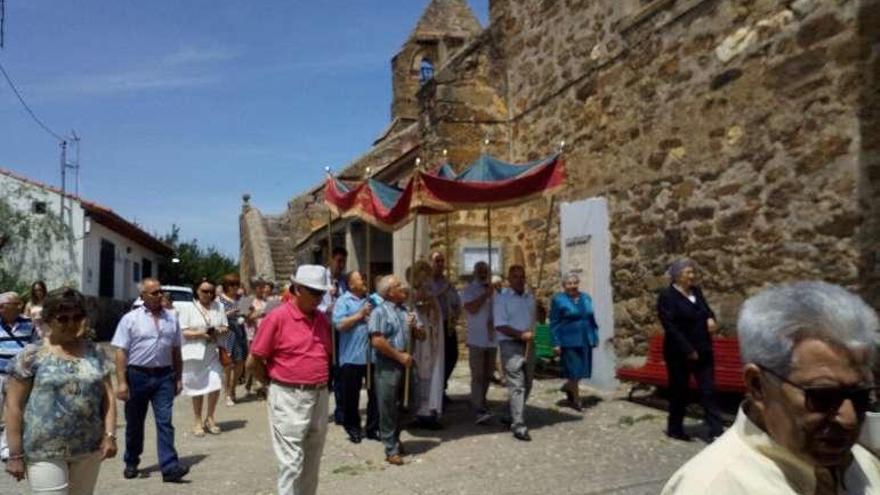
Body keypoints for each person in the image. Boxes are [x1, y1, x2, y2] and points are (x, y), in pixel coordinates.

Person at [662, 281, 880, 494]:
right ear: (758, 386)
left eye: (860, 397)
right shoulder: (713, 487)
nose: (849, 418)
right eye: (823, 397)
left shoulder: (863, 464)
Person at [3, 288, 116, 494]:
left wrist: (109, 435)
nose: (71, 324)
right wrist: (15, 455)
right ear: (48, 319)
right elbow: (13, 406)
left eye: (77, 317)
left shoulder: (95, 352)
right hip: (43, 450)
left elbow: (108, 398)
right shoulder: (31, 356)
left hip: (88, 448)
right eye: (63, 318)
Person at [246, 265, 333, 495]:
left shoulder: (322, 320)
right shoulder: (277, 317)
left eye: (321, 293)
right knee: (291, 464)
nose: (319, 297)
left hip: (319, 394)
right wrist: (272, 384)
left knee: (312, 461)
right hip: (288, 395)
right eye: (314, 292)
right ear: (297, 289)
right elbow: (253, 361)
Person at [111, 278, 188, 482]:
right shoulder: (130, 319)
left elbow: (176, 350)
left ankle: (170, 467)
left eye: (160, 291)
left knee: (165, 421)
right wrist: (122, 382)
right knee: (135, 423)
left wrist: (178, 377)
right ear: (143, 296)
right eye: (154, 292)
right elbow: (120, 351)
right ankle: (131, 461)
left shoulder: (171, 318)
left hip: (164, 375)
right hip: (137, 375)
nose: (159, 295)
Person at [657, 258, 723, 441]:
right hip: (679, 352)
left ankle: (716, 431)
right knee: (680, 391)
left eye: (693, 272)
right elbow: (670, 326)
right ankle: (675, 428)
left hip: (703, 348)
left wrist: (711, 318)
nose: (692, 276)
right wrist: (688, 349)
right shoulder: (667, 296)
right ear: (677, 276)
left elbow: (706, 310)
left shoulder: (696, 292)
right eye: (688, 273)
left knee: (708, 390)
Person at [369, 275, 416, 466]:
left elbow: (421, 335)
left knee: (406, 404)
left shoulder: (406, 311)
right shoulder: (379, 312)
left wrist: (416, 328)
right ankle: (390, 448)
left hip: (407, 363)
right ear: (389, 292)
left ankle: (396, 437)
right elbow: (377, 340)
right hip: (388, 365)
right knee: (387, 406)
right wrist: (398, 356)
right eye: (398, 285)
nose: (403, 287)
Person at [332, 270, 379, 443]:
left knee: (376, 393)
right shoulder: (343, 301)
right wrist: (359, 315)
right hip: (351, 356)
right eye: (361, 278)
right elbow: (339, 324)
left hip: (372, 355)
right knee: (351, 396)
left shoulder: (372, 300)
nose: (365, 280)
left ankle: (373, 427)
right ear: (351, 284)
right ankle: (353, 427)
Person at [178, 278, 228, 437]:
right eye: (204, 291)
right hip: (194, 354)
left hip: (212, 352)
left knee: (216, 384)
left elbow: (226, 326)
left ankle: (211, 418)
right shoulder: (189, 307)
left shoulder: (219, 306)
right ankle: (198, 421)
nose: (208, 294)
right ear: (197, 291)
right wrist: (202, 333)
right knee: (197, 388)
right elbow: (184, 331)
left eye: (211, 291)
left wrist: (219, 330)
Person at [493, 265, 537, 442]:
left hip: (528, 344)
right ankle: (518, 425)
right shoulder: (502, 299)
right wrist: (520, 334)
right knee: (516, 384)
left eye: (522, 277)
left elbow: (538, 317)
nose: (519, 280)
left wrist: (538, 302)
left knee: (528, 382)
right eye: (516, 277)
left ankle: (509, 413)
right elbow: (500, 325)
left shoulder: (529, 297)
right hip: (510, 344)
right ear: (509, 280)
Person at [549, 273, 599, 412]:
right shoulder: (559, 300)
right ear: (564, 285)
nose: (572, 286)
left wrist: (594, 336)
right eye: (569, 283)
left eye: (574, 283)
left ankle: (568, 386)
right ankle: (576, 400)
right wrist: (556, 342)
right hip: (568, 340)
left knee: (583, 369)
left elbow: (591, 319)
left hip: (585, 338)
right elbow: (554, 323)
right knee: (574, 371)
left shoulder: (586, 298)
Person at [0, 292, 38, 462]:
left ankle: (7, 446)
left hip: (20, 378)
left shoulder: (29, 325)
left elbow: (36, 347)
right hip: (0, 374)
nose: (0, 308)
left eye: (3, 305)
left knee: (14, 410)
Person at [461, 261, 497, 424]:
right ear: (475, 272)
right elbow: (471, 308)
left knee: (488, 374)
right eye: (480, 271)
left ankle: (481, 401)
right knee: (478, 375)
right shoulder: (469, 290)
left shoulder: (494, 290)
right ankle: (478, 407)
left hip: (492, 339)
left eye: (485, 271)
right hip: (476, 338)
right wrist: (485, 295)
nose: (483, 273)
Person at [410, 261, 444, 430]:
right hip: (418, 339)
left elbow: (436, 314)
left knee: (431, 371)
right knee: (420, 372)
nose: (423, 281)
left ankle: (430, 409)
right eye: (420, 277)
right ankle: (419, 410)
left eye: (426, 277)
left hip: (431, 338)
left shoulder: (431, 294)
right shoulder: (410, 294)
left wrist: (431, 307)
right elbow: (412, 310)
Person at [429, 251, 461, 402]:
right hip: (433, 325)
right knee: (436, 359)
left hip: (447, 323)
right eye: (437, 261)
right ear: (431, 263)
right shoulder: (427, 282)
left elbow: (456, 301)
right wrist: (444, 289)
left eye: (442, 261)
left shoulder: (447, 282)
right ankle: (435, 390)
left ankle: (442, 385)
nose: (441, 264)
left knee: (452, 355)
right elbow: (430, 296)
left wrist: (456, 314)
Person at [323, 246, 349, 425]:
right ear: (331, 259)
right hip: (324, 328)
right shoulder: (320, 278)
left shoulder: (344, 281)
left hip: (340, 330)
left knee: (340, 371)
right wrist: (327, 308)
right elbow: (313, 303)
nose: (341, 265)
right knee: (325, 373)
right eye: (339, 261)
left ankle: (341, 410)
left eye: (343, 262)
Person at [218, 273, 248, 406]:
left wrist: (246, 314)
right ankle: (227, 394)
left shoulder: (240, 299)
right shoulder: (220, 300)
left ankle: (233, 388)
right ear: (226, 286)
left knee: (240, 363)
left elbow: (246, 312)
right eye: (232, 285)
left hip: (240, 332)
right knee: (228, 365)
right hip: (227, 334)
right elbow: (216, 317)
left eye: (237, 284)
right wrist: (228, 314)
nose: (235, 287)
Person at [245, 278, 273, 398]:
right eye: (260, 287)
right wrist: (261, 313)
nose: (263, 290)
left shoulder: (269, 301)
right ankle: (257, 386)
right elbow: (247, 318)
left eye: (264, 287)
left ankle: (264, 388)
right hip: (254, 336)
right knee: (253, 363)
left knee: (266, 363)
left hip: (269, 335)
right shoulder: (248, 301)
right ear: (254, 288)